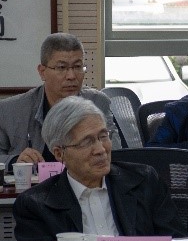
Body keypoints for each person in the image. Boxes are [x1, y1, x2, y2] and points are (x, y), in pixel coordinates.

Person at [14, 96, 186, 241]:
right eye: (86, 142)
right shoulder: (35, 206)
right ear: (59, 153)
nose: (101, 149)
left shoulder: (144, 181)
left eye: (103, 136)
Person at [0, 33, 119, 172]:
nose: (71, 76)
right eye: (62, 68)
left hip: (86, 182)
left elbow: (117, 153)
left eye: (77, 66)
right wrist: (14, 161)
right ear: (42, 72)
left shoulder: (97, 102)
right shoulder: (11, 110)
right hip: (35, 184)